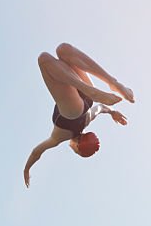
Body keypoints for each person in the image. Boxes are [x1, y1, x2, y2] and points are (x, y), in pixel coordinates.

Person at [23, 43, 134, 187]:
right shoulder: (59, 138)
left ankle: (112, 82)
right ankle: (90, 89)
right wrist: (27, 169)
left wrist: (112, 112)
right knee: (43, 59)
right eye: (76, 151)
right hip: (73, 110)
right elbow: (36, 152)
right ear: (77, 146)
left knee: (63, 50)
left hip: (87, 102)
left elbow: (100, 108)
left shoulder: (87, 120)